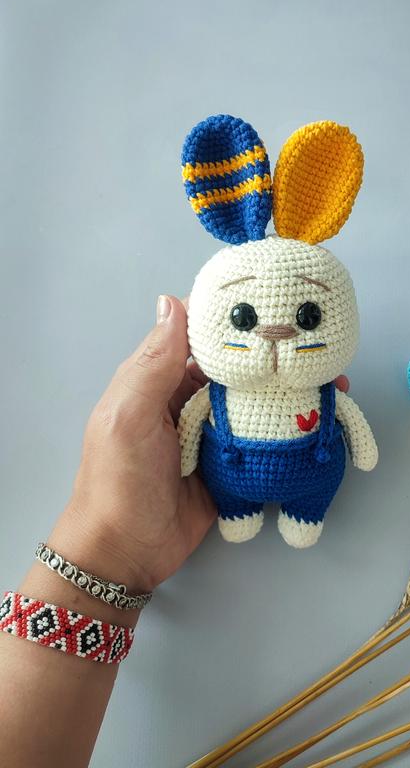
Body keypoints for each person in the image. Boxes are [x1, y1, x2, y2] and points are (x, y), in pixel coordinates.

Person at [0, 296, 349, 768]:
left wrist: (114, 548)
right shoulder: (215, 393)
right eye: (244, 318)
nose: (275, 334)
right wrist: (118, 542)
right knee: (242, 505)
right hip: (228, 481)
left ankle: (299, 513)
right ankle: (240, 512)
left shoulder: (320, 391)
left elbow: (348, 417)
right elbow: (191, 427)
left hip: (294, 476)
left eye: (307, 317)